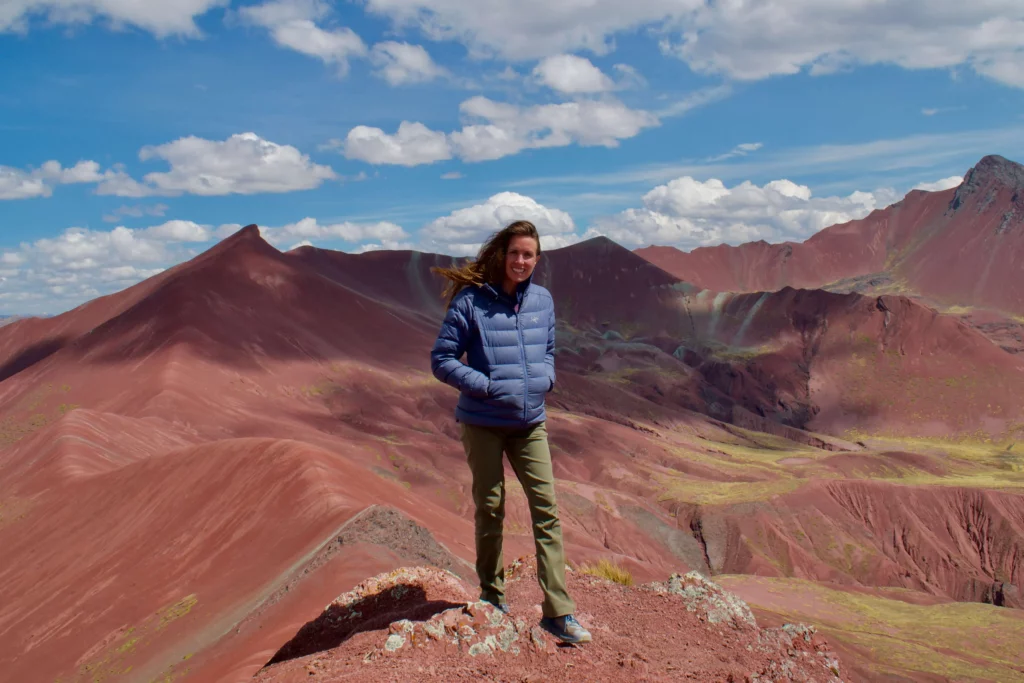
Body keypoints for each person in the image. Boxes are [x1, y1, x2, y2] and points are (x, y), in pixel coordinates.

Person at [429, 220, 592, 645]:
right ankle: (492, 597)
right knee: (491, 508)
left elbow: (549, 349)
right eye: (515, 253)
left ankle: (558, 612)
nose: (521, 261)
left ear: (537, 260)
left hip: (530, 423)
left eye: (528, 254)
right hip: (482, 422)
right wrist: (486, 386)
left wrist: (546, 379)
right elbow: (442, 359)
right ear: (503, 255)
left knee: (547, 509)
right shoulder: (471, 302)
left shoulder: (542, 300)